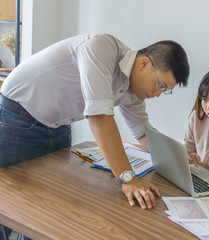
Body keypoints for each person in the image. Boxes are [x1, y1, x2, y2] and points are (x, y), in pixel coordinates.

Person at [0, 33, 190, 211]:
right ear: (144, 64)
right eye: (160, 85)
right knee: (12, 203)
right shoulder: (100, 48)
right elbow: (99, 119)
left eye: (164, 91)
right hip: (16, 118)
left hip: (57, 127)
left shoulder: (134, 92)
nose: (157, 94)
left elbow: (143, 134)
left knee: (48, 205)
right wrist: (129, 179)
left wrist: (177, 157)